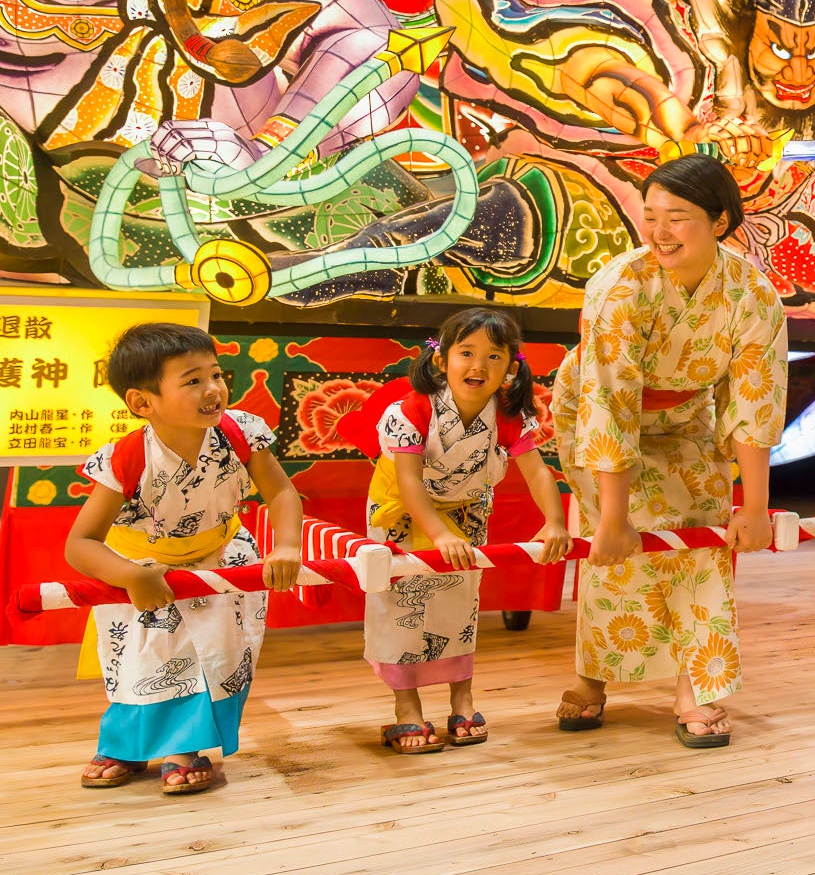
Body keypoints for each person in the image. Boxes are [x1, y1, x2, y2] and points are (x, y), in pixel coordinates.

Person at [552, 154, 789, 747]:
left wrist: (753, 506)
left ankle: (696, 687)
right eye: (650, 215)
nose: (658, 232)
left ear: (720, 221)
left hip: (687, 419)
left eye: (677, 217)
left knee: (703, 537)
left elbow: (752, 402)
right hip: (594, 417)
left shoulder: (752, 294)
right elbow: (609, 399)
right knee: (618, 546)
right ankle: (593, 678)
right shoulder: (618, 286)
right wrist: (610, 516)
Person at [64, 323, 303, 794]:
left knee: (210, 655)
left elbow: (282, 493)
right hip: (142, 568)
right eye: (192, 381)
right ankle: (126, 747)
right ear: (142, 403)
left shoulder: (240, 433)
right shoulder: (125, 459)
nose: (213, 389)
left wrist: (288, 545)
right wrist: (133, 576)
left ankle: (185, 748)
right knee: (142, 661)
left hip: (222, 558)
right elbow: (80, 544)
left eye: (215, 374)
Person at [336, 308, 571, 753]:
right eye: (466, 352)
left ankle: (462, 699)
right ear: (441, 360)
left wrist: (554, 520)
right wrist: (439, 534)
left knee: (459, 607)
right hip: (402, 511)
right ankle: (407, 710)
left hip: (467, 512)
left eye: (494, 356)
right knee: (399, 607)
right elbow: (408, 482)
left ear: (511, 368)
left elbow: (538, 473)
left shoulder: (506, 414)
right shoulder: (412, 409)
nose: (479, 365)